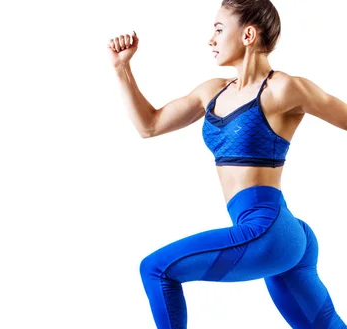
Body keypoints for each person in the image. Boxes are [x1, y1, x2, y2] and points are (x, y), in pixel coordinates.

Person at [107, 0, 347, 328]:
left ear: (248, 34)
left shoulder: (282, 89)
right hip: (281, 232)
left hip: (268, 230)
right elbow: (149, 125)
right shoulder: (213, 92)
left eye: (219, 29)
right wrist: (122, 69)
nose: (211, 39)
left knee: (156, 269)